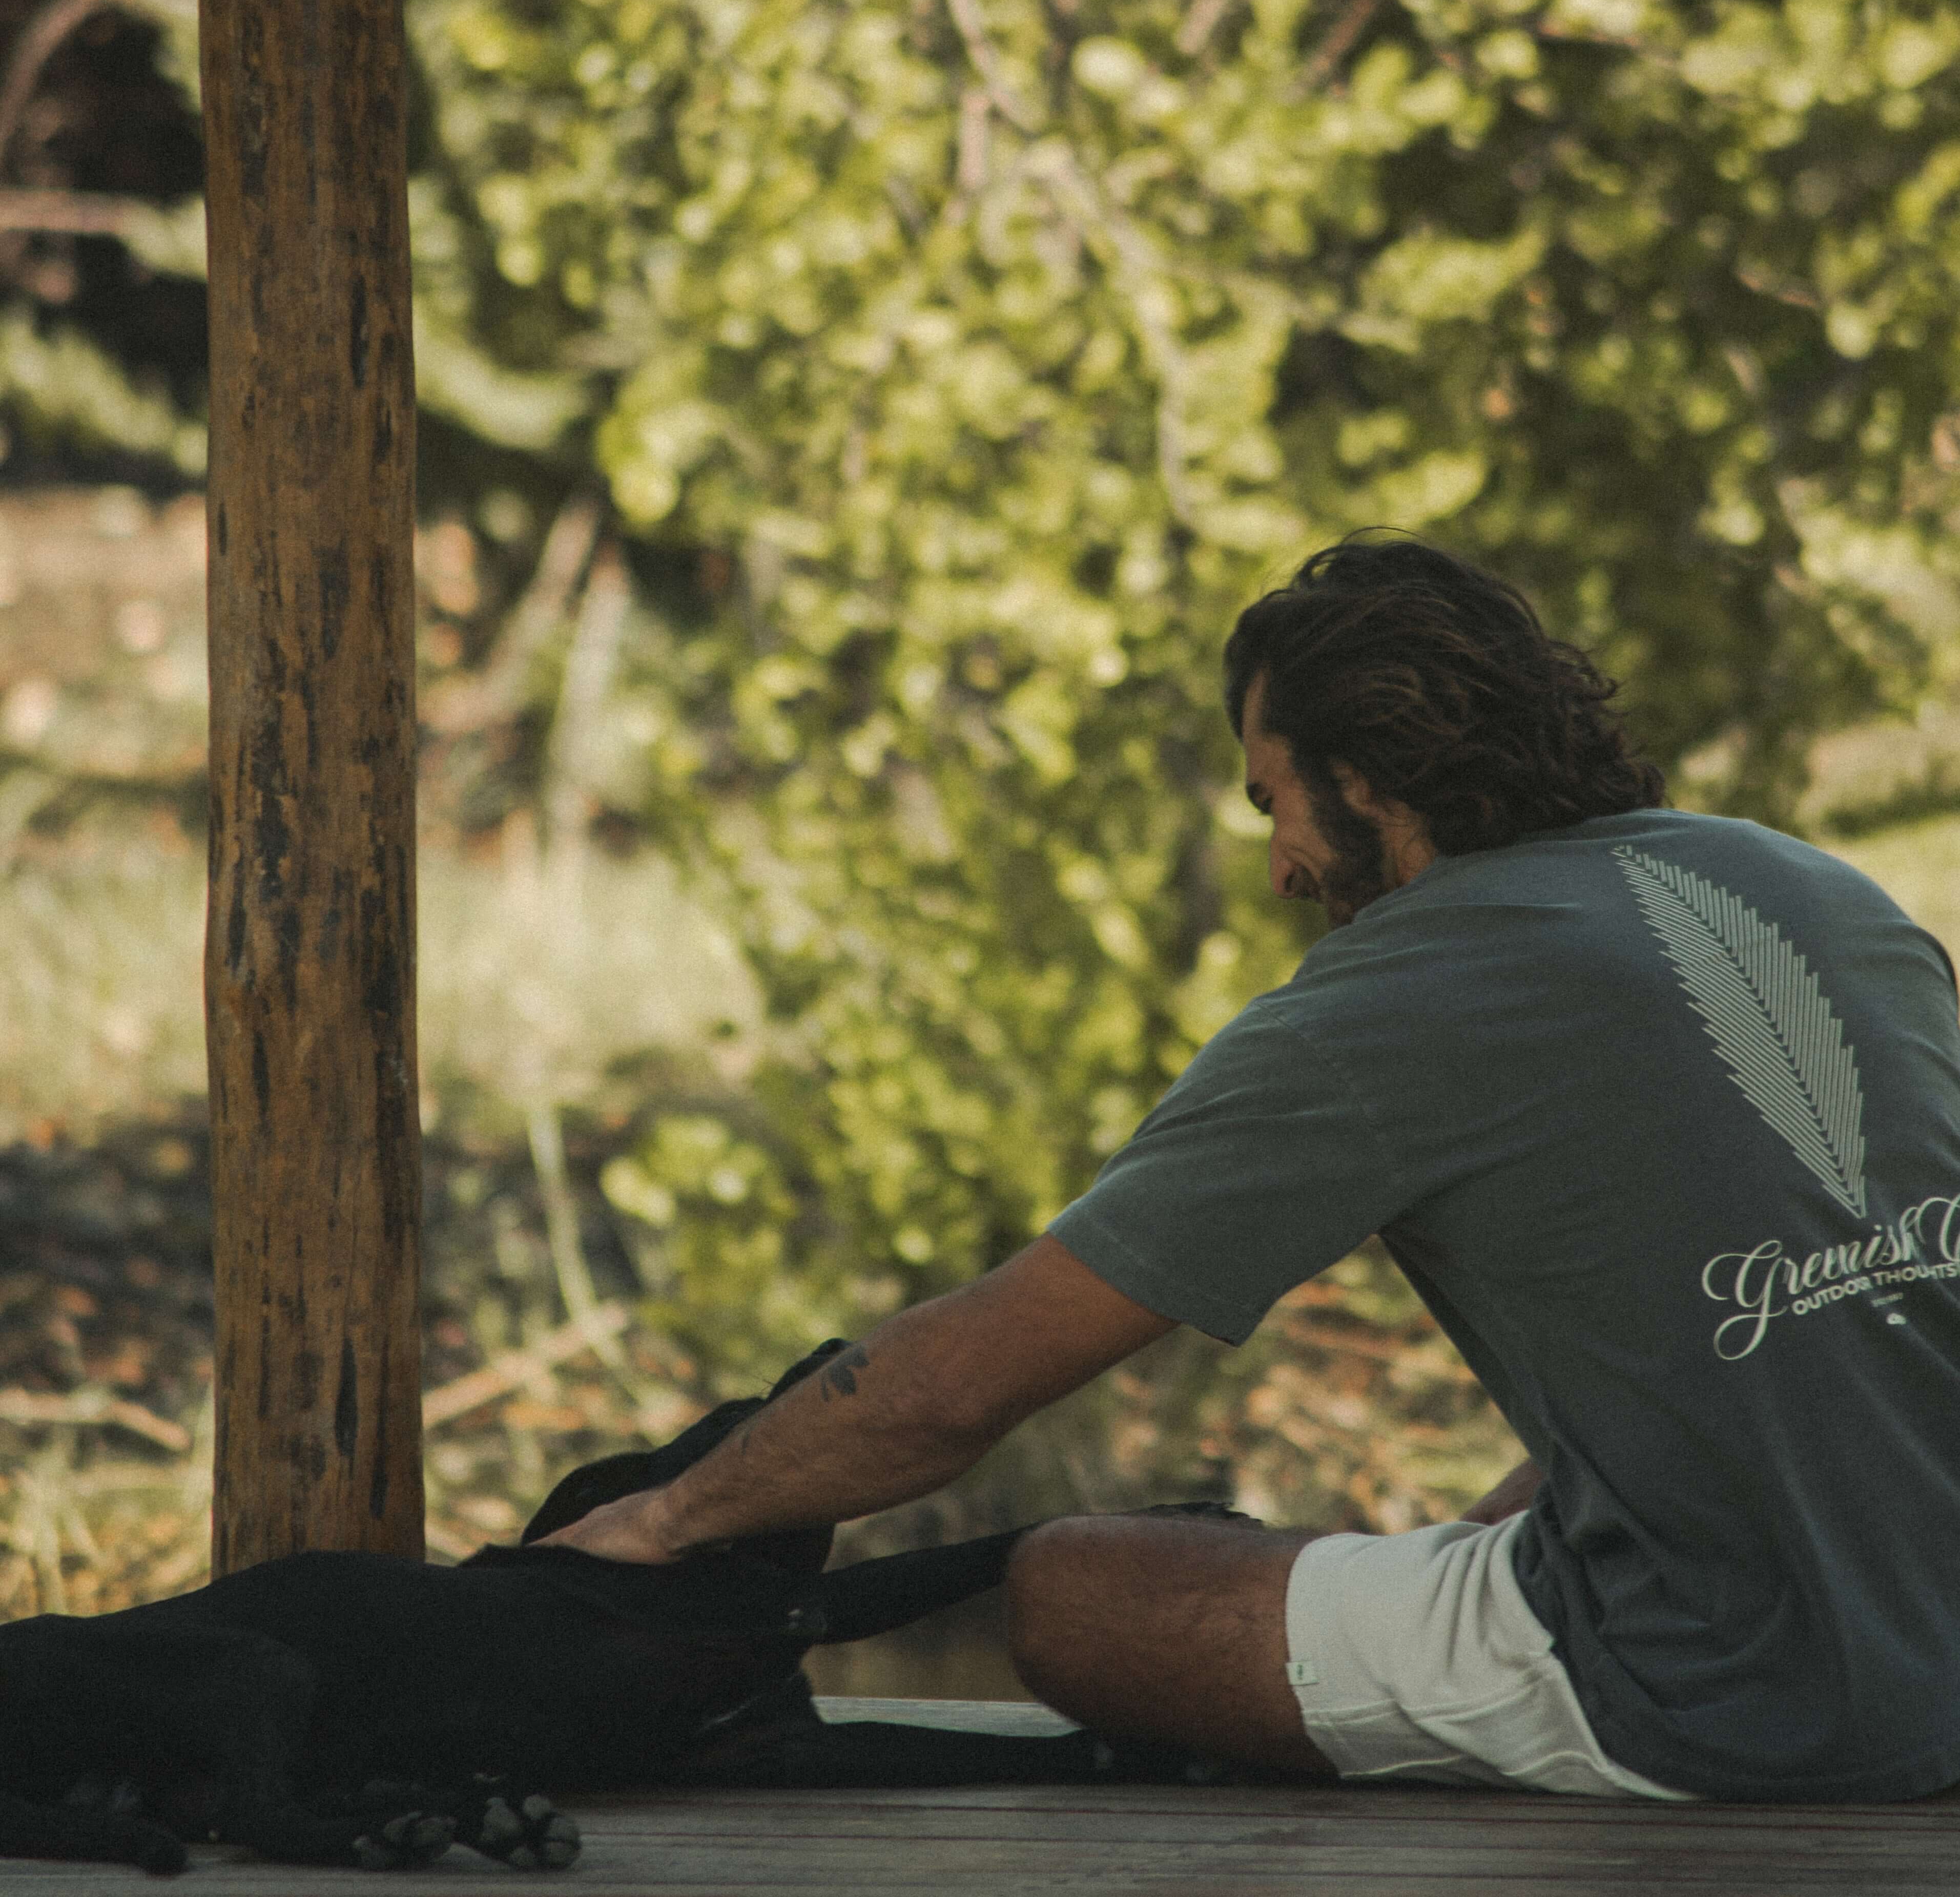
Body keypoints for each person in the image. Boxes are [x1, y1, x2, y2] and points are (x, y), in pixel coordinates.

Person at [547, 535, 1960, 1804]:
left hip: (1751, 1699)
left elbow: (958, 1387)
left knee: (1070, 1589)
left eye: (1271, 796)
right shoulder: (1813, 888)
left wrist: (666, 1515)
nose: (1282, 863)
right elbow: (1823, 1327)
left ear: (1359, 776)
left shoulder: (1391, 997)